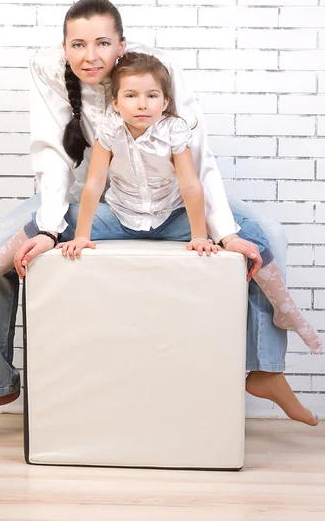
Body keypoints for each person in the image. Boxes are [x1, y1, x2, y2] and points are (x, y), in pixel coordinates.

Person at [0, 0, 319, 437]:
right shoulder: (47, 69)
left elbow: (199, 163)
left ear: (121, 44)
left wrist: (223, 232)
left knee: (265, 236)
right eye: (77, 45)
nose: (90, 56)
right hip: (95, 202)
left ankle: (264, 368)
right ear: (63, 47)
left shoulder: (155, 69)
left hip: (169, 198)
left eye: (102, 43)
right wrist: (49, 226)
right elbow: (54, 157)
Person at [53, 51, 321, 356]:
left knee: (253, 234)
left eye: (152, 95)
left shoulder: (173, 129)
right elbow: (95, 183)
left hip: (171, 217)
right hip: (121, 216)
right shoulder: (109, 129)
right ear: (116, 103)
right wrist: (83, 236)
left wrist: (198, 235)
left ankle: (284, 307)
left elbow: (191, 184)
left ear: (165, 102)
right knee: (52, 222)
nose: (142, 104)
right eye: (131, 95)